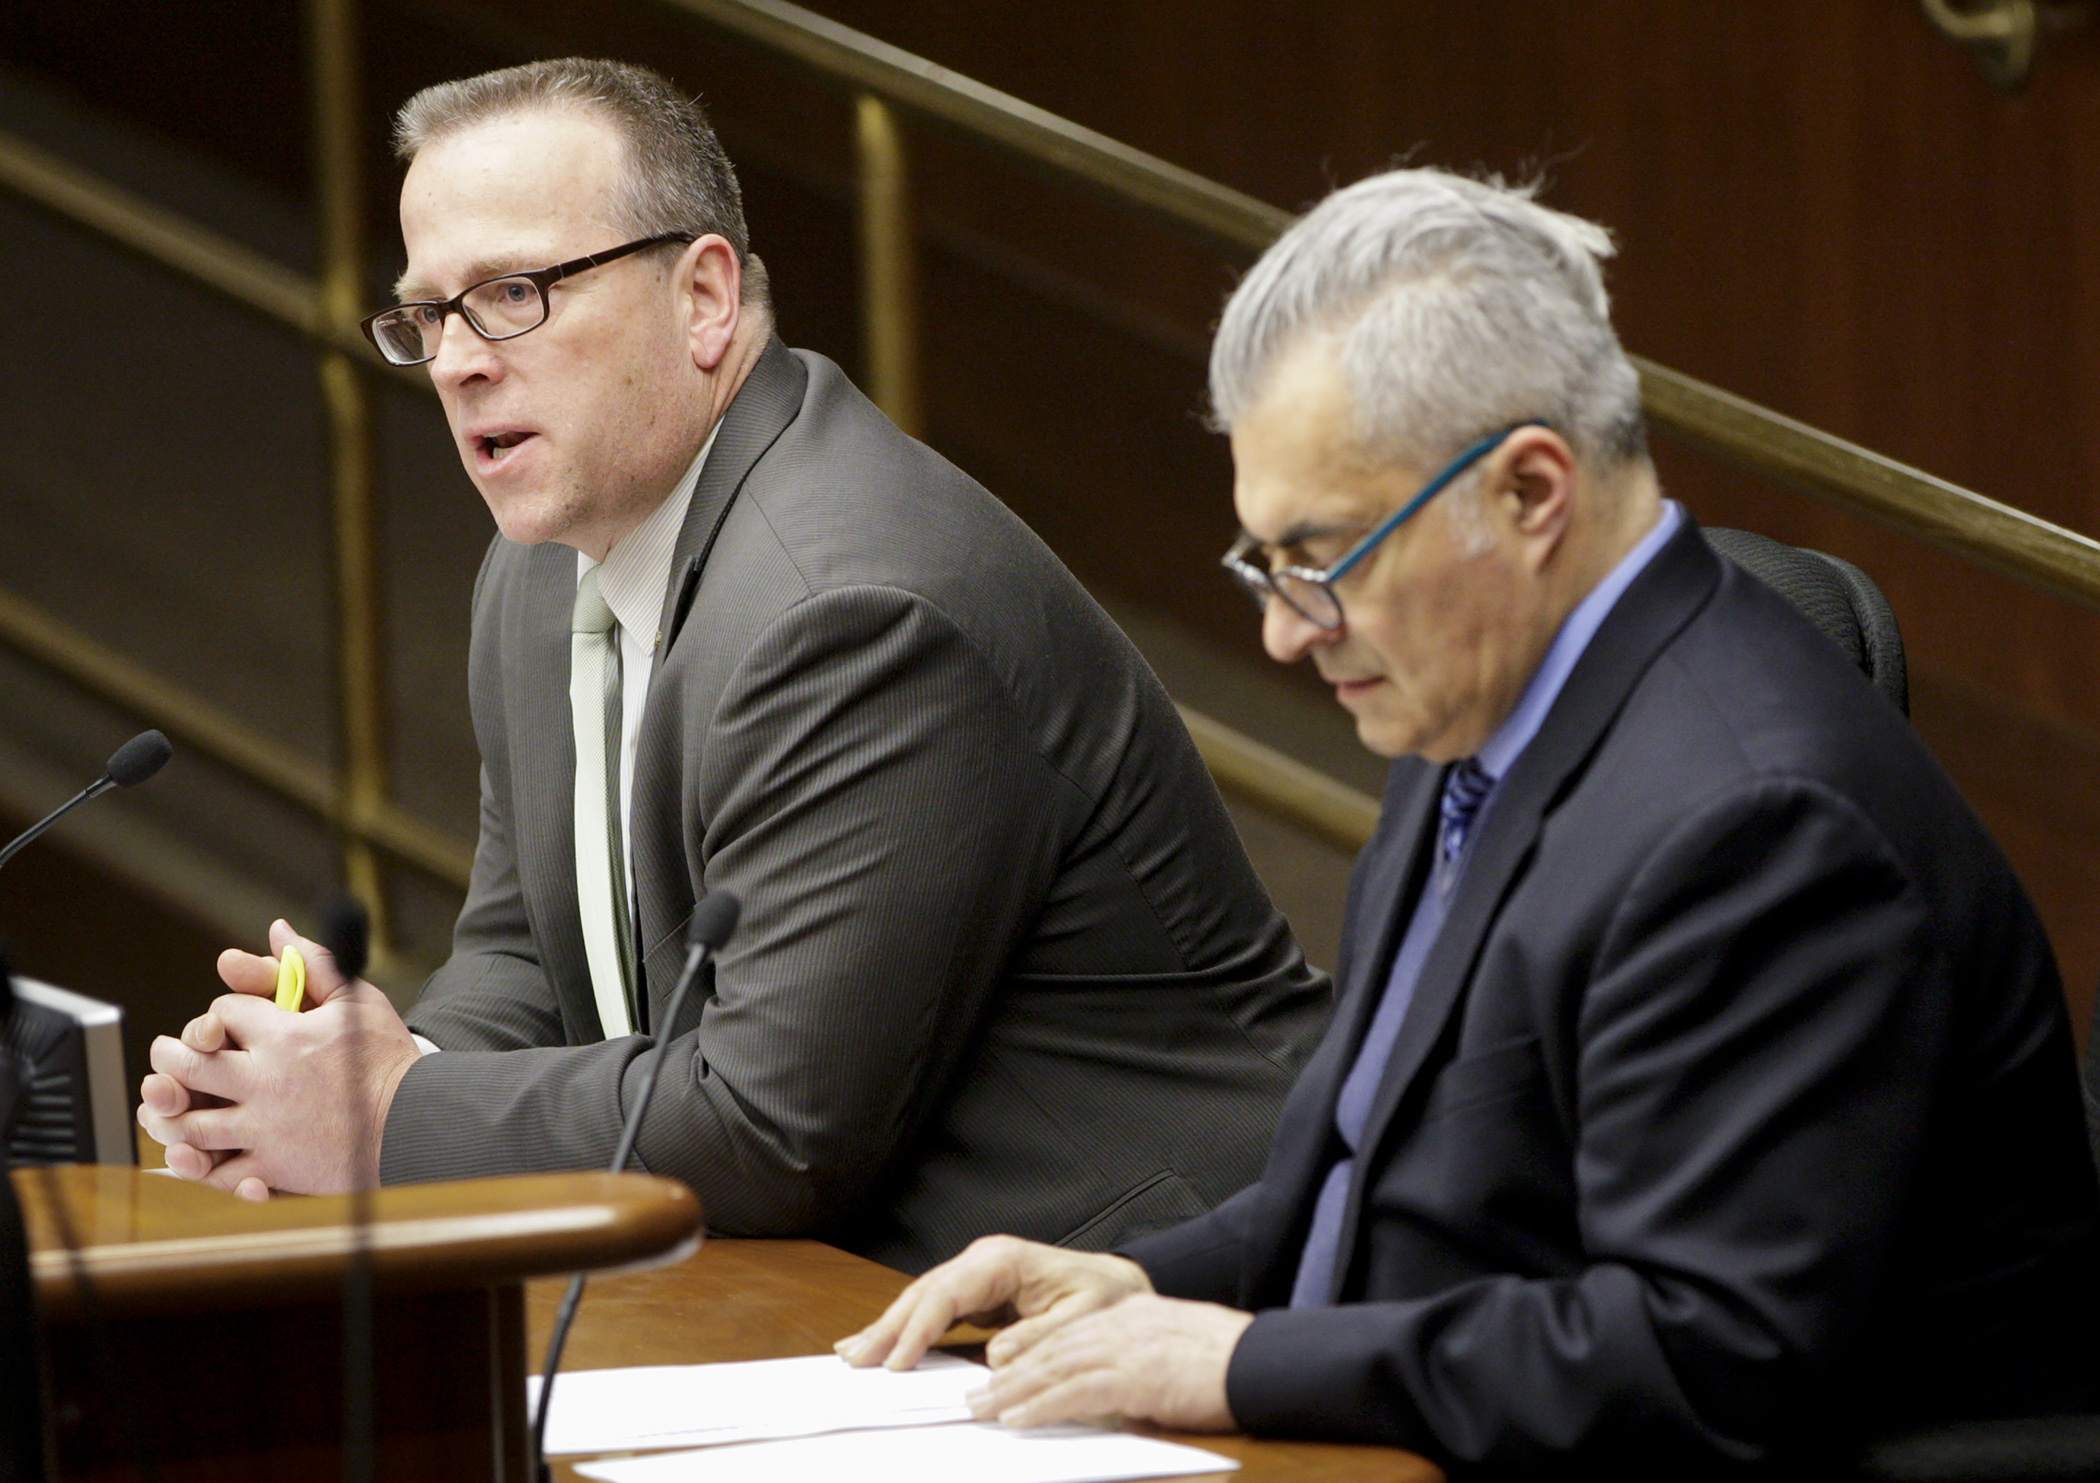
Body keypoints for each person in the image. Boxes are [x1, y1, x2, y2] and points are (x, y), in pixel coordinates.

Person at [840, 168, 2100, 1467]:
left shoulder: (1763, 826)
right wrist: (1141, 1284)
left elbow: (1705, 1357)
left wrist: (1243, 1361)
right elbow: (1383, 1168)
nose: (1282, 631)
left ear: (1531, 493)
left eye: (1321, 559)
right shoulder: (1480, 692)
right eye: (1261, 564)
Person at [133, 58, 1329, 1274]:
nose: (456, 361)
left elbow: (775, 1123)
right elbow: (528, 960)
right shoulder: (541, 573)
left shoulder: (856, 608)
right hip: (855, 1296)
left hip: (1161, 1292)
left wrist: (387, 1117)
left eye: (510, 295)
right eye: (428, 316)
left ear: (704, 297)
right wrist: (328, 1082)